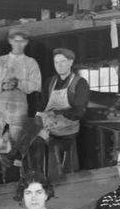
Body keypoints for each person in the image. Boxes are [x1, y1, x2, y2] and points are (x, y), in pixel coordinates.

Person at [28, 47, 91, 183]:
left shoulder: (80, 83)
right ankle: (37, 179)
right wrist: (40, 120)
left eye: (62, 62)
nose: (59, 65)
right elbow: (41, 105)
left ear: (71, 62)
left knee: (35, 136)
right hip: (50, 124)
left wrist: (57, 113)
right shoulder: (50, 82)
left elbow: (79, 112)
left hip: (69, 127)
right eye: (56, 62)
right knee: (33, 137)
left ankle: (15, 159)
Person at [0, 76, 32, 187]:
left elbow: (34, 87)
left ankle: (13, 179)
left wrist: (19, 84)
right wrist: (1, 86)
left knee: (17, 149)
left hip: (19, 115)